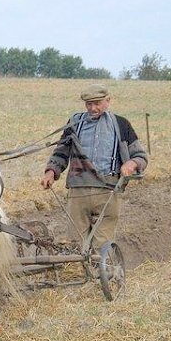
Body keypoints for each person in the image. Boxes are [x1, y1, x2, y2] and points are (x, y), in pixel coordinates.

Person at [40, 83, 148, 251]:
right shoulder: (74, 123)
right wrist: (51, 172)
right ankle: (81, 274)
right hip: (78, 191)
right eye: (89, 104)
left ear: (108, 101)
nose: (92, 108)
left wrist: (131, 163)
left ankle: (100, 273)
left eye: (97, 103)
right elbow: (61, 151)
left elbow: (140, 156)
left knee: (102, 245)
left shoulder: (121, 125)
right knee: (75, 245)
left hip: (108, 191)